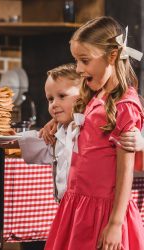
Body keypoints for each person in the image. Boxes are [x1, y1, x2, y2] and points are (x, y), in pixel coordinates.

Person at [45, 16, 144, 250]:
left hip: (105, 212)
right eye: (76, 61)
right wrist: (53, 122)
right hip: (78, 205)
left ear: (112, 57)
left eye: (85, 61)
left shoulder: (124, 106)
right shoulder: (96, 97)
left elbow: (125, 171)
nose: (79, 69)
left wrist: (115, 223)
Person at [17, 63, 80, 202]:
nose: (54, 104)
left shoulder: (87, 128)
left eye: (62, 96)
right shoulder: (59, 131)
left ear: (83, 96)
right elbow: (42, 151)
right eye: (50, 99)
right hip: (64, 206)